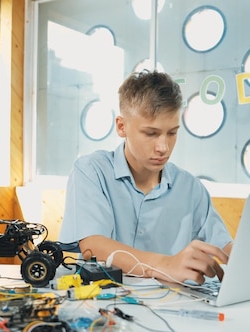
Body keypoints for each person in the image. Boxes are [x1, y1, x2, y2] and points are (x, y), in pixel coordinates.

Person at [59, 70, 233, 285]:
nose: (163, 147)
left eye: (172, 133)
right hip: (102, 306)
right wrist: (165, 265)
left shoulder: (191, 188)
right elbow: (92, 247)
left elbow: (227, 250)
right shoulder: (91, 170)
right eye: (151, 133)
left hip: (173, 308)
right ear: (122, 127)